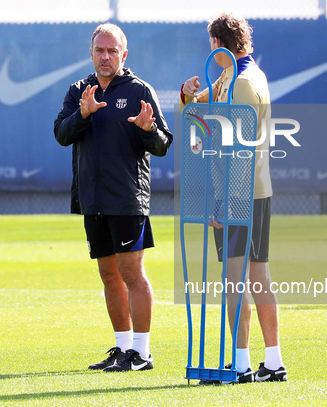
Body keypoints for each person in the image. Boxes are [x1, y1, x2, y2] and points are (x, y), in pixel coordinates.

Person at [54, 23, 173, 372]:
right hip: (93, 199)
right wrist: (84, 113)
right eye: (99, 51)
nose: (105, 57)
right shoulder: (79, 90)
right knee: (109, 274)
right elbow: (61, 134)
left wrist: (148, 129)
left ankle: (143, 352)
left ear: (124, 54)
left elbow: (163, 144)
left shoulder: (139, 89)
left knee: (132, 273)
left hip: (127, 198)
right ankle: (123, 348)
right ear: (91, 53)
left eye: (112, 50)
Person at [180, 12, 287, 383]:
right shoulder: (239, 75)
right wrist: (186, 95)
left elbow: (240, 150)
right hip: (256, 190)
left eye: (211, 44)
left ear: (219, 44)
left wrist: (225, 203)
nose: (208, 51)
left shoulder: (241, 83)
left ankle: (240, 364)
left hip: (240, 193)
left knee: (234, 280)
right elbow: (192, 111)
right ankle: (272, 362)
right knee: (258, 276)